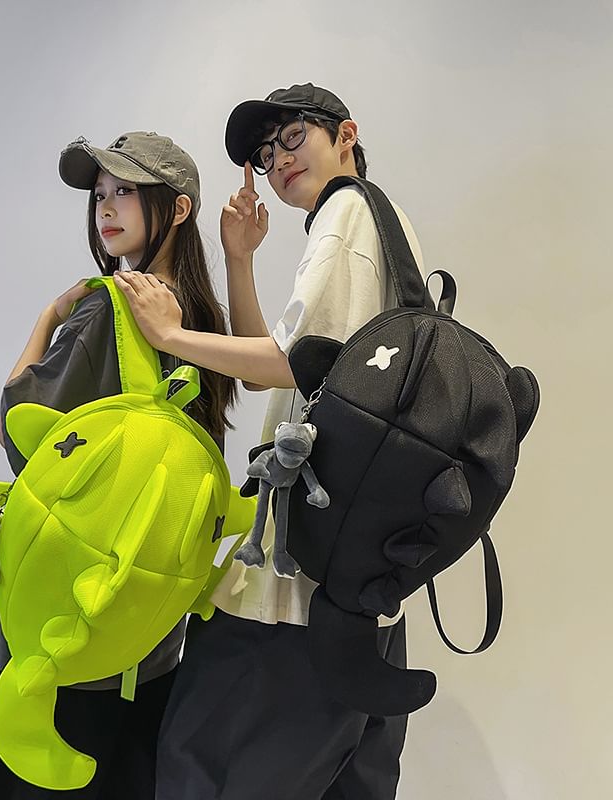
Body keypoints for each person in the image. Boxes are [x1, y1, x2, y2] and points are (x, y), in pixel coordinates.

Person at [116, 83, 426, 800]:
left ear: (345, 135)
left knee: (209, 771)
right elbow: (275, 368)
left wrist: (169, 334)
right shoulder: (384, 225)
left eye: (292, 138)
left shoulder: (346, 215)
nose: (278, 160)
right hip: (360, 575)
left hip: (294, 591)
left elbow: (283, 364)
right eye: (265, 152)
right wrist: (240, 258)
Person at [0, 131, 236, 799]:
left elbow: (19, 432)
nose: (105, 208)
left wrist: (47, 318)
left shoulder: (107, 309)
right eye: (99, 194)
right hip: (147, 625)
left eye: (125, 192)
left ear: (177, 208)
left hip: (66, 615)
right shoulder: (199, 318)